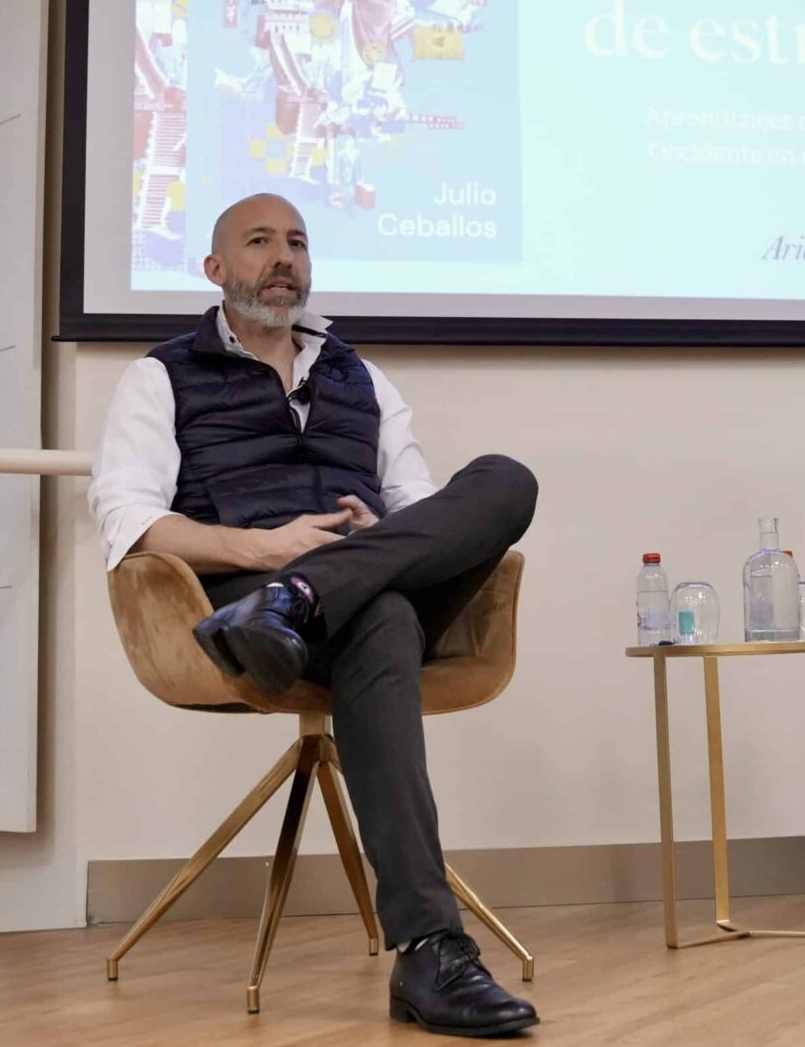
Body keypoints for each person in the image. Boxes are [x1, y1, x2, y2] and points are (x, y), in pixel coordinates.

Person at [88, 193, 540, 1036]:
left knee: (506, 480)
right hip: (240, 610)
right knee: (386, 620)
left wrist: (379, 539)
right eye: (258, 242)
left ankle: (309, 596)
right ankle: (432, 952)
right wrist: (266, 553)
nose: (282, 256)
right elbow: (133, 524)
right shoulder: (160, 375)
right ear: (216, 270)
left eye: (296, 240)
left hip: (338, 591)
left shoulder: (358, 374)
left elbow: (421, 506)